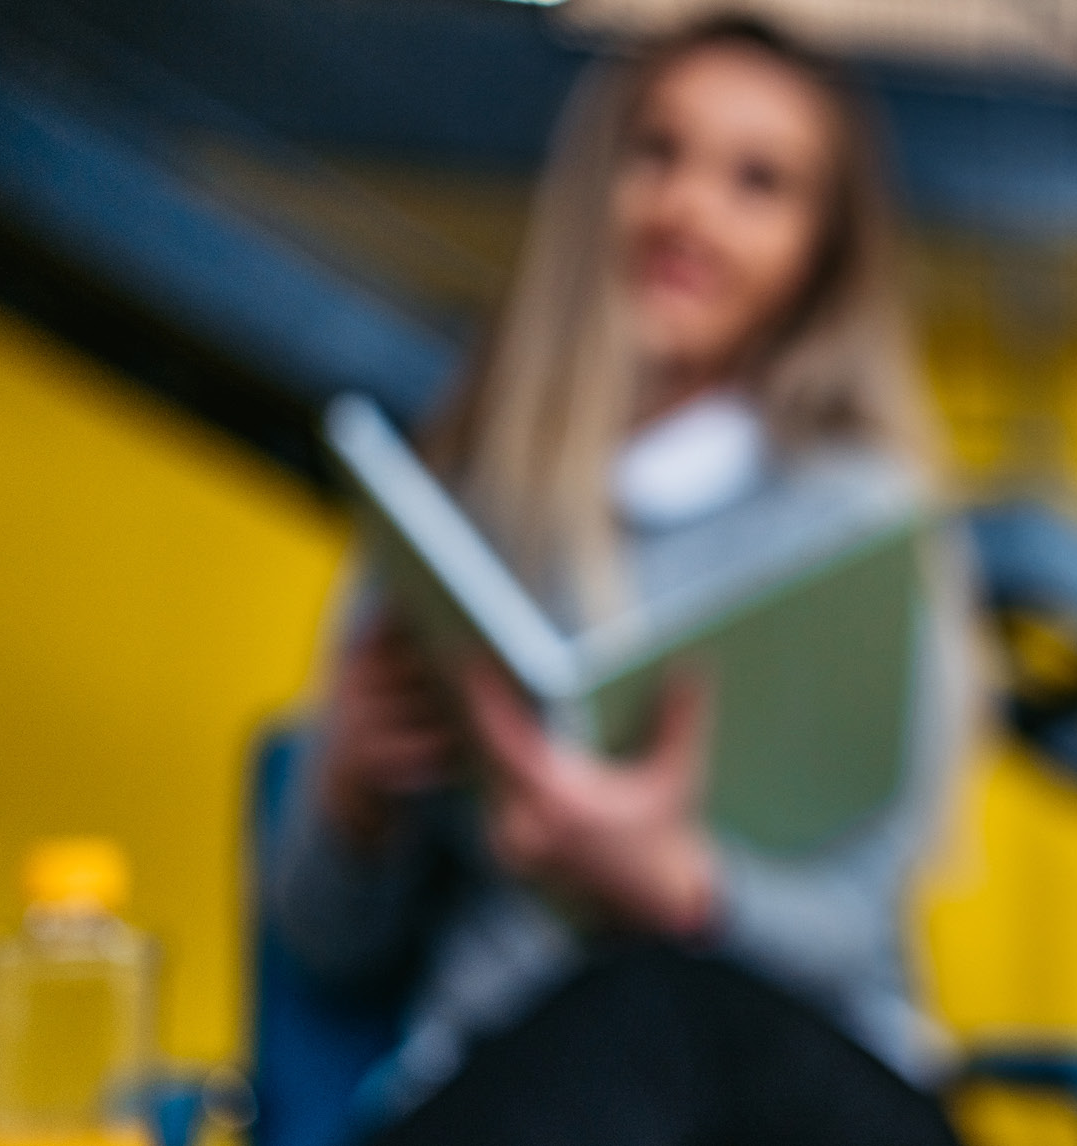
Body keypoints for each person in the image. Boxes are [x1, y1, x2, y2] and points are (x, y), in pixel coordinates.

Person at [269, 17, 969, 1144]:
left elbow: (853, 925)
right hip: (523, 1076)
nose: (689, 208)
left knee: (663, 997)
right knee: (617, 1022)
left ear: (819, 254)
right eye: (658, 153)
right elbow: (327, 950)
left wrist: (677, 886)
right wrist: (350, 788)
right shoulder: (459, 509)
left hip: (810, 1086)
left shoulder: (865, 523)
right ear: (597, 182)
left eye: (758, 182)